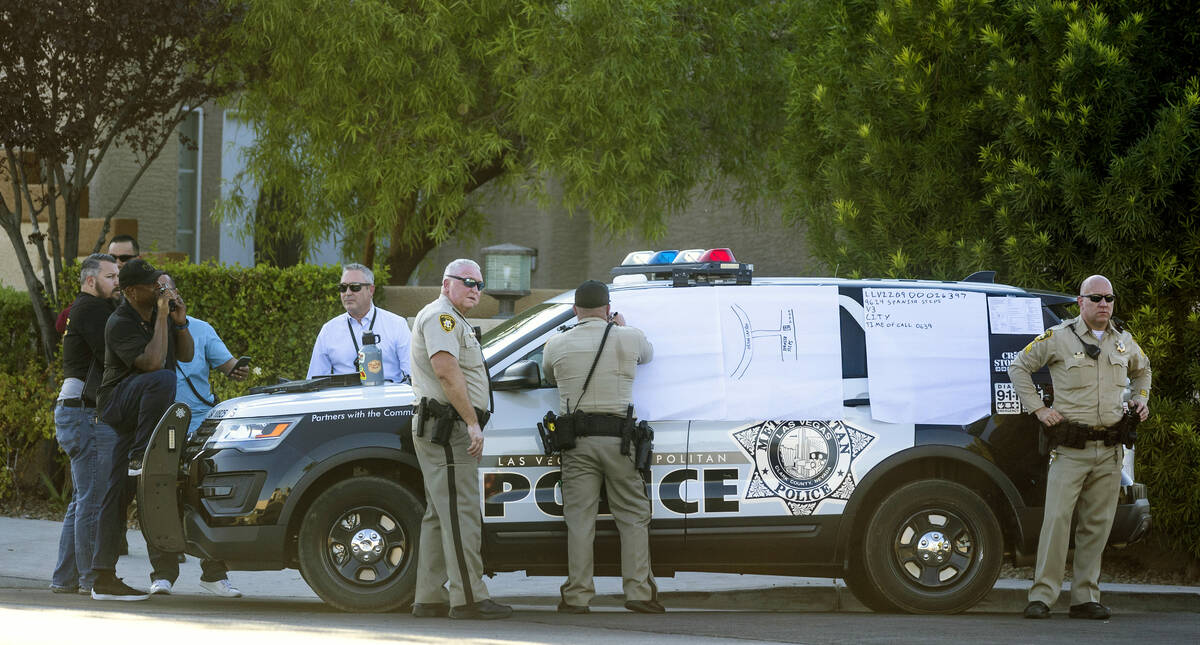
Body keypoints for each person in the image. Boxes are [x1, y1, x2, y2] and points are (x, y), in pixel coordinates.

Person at [1009, 275, 1151, 620]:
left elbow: (1143, 372)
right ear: (1080, 302)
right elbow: (1019, 367)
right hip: (1071, 448)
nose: (1104, 304)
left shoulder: (1124, 343)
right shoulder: (1058, 338)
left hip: (1110, 449)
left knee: (1097, 524)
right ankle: (1043, 596)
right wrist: (1040, 409)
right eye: (1096, 298)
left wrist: (1141, 400)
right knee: (1056, 520)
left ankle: (1085, 597)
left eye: (1109, 298)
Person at [542, 280, 662, 614]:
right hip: (620, 441)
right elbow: (648, 354)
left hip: (576, 443)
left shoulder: (556, 343)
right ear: (608, 309)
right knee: (633, 517)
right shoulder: (629, 337)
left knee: (580, 520)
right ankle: (639, 593)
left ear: (574, 310)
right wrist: (620, 327)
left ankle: (577, 596)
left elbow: (549, 374)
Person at [408, 259, 511, 620]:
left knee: (440, 513)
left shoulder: (452, 317)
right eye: (467, 282)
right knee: (460, 511)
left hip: (444, 424)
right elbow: (446, 371)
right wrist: (472, 422)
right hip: (449, 426)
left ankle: (429, 598)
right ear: (446, 283)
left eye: (479, 284)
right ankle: (469, 598)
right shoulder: (443, 317)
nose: (475, 290)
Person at [90, 258, 194, 601]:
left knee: (124, 493)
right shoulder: (120, 321)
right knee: (162, 377)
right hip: (119, 407)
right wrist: (162, 317)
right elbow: (151, 365)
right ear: (132, 291)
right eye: (152, 285)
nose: (158, 289)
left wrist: (179, 324)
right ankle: (140, 454)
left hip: (144, 419)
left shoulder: (156, 317)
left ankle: (104, 578)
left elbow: (188, 356)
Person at [141, 273, 244, 598]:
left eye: (170, 288)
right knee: (160, 499)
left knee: (207, 497)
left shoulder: (200, 329)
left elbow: (230, 366)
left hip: (200, 430)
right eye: (160, 290)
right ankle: (163, 574)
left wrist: (245, 370)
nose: (167, 294)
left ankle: (215, 574)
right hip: (161, 429)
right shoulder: (141, 329)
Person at [50, 254, 120, 595]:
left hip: (75, 410)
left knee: (82, 499)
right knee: (93, 498)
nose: (117, 282)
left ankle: (65, 578)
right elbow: (114, 355)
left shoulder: (85, 309)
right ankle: (92, 579)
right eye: (111, 276)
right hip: (85, 412)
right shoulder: (92, 310)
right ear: (91, 281)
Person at [308, 263, 411, 383]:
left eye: (354, 287)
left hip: (388, 399)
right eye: (343, 287)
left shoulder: (397, 325)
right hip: (345, 400)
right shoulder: (328, 330)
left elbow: (413, 374)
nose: (347, 293)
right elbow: (315, 380)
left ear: (371, 290)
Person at [55, 234, 140, 336]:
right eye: (112, 257)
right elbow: (61, 323)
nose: (117, 263)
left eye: (124, 258)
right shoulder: (101, 287)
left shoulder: (148, 287)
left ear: (138, 259)